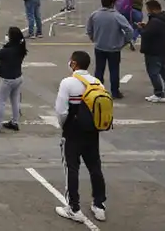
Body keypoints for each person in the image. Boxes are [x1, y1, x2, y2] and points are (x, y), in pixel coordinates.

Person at [53, 51, 107, 223]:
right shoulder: (97, 83)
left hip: (73, 131)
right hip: (93, 131)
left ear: (74, 64)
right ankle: (99, 205)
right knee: (95, 167)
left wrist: (64, 127)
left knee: (71, 168)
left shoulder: (68, 83)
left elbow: (61, 111)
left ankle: (74, 208)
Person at [86, 0, 133, 99]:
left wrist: (93, 38)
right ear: (113, 4)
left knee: (99, 70)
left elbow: (89, 28)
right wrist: (125, 41)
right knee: (114, 70)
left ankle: (98, 90)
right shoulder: (117, 16)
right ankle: (115, 92)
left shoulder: (95, 15)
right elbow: (129, 30)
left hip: (99, 47)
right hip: (114, 48)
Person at [0, 27, 27, 133]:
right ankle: (15, 122)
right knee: (15, 101)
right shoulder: (20, 49)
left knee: (1, 101)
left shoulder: (8, 50)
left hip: (8, 80)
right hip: (18, 77)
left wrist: (5, 46)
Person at [138, 0, 165, 103]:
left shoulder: (155, 21)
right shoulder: (164, 18)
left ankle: (159, 94)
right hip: (164, 49)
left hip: (153, 50)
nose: (147, 12)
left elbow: (146, 34)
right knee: (164, 70)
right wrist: (147, 26)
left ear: (153, 9)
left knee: (153, 72)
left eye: (148, 9)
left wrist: (141, 29)